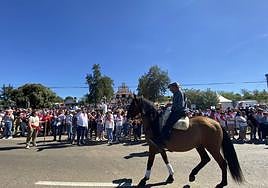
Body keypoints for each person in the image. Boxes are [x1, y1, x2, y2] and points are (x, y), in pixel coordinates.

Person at [149, 82, 186, 150]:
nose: (170, 90)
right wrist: (170, 104)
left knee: (168, 124)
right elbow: (176, 103)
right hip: (176, 111)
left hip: (178, 112)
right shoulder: (176, 93)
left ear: (175, 87)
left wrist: (171, 107)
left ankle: (163, 141)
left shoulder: (179, 93)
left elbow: (180, 105)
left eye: (171, 88)